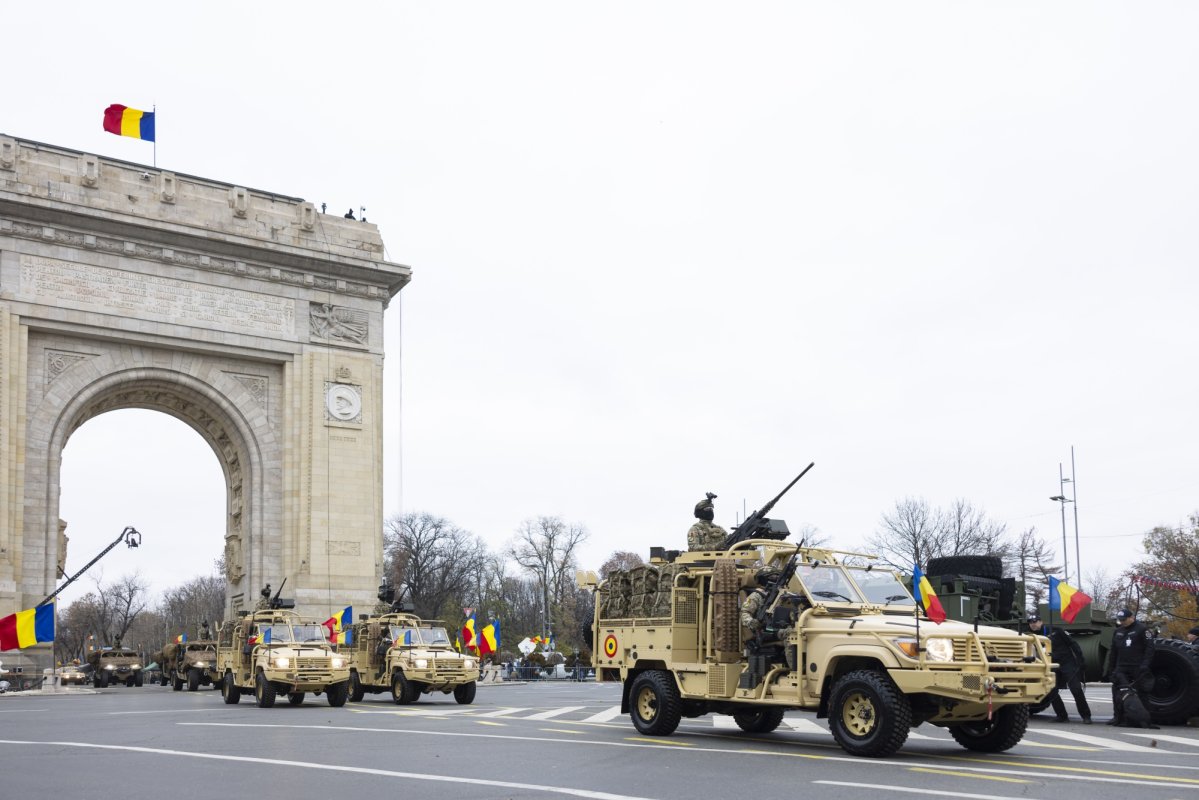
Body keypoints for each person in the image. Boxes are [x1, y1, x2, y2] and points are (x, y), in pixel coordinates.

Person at [1028, 614, 1092, 724]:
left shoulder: (1056, 630)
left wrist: (1081, 661)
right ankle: (1061, 715)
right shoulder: (1032, 636)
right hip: (1051, 664)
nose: (1033, 624)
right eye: (1030, 622)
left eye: (1035, 621)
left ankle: (1086, 716)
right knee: (1051, 691)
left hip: (1067, 662)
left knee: (1076, 689)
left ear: (1041, 621)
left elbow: (1073, 644)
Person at [1104, 607, 1156, 726]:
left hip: (1137, 666)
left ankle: (1145, 719)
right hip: (1121, 666)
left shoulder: (1142, 629)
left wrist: (1145, 665)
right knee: (1117, 692)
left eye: (1124, 619)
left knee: (1142, 693)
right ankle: (1118, 717)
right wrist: (1111, 669)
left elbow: (1150, 648)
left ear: (1131, 618)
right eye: (1120, 620)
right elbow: (1113, 651)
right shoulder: (1118, 631)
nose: (1122, 622)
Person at [740, 567, 796, 671]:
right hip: (765, 631)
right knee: (791, 634)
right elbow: (745, 613)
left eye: (777, 577)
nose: (775, 579)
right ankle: (796, 670)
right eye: (773, 577)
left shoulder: (783, 595)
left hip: (779, 628)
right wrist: (753, 622)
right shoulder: (757, 596)